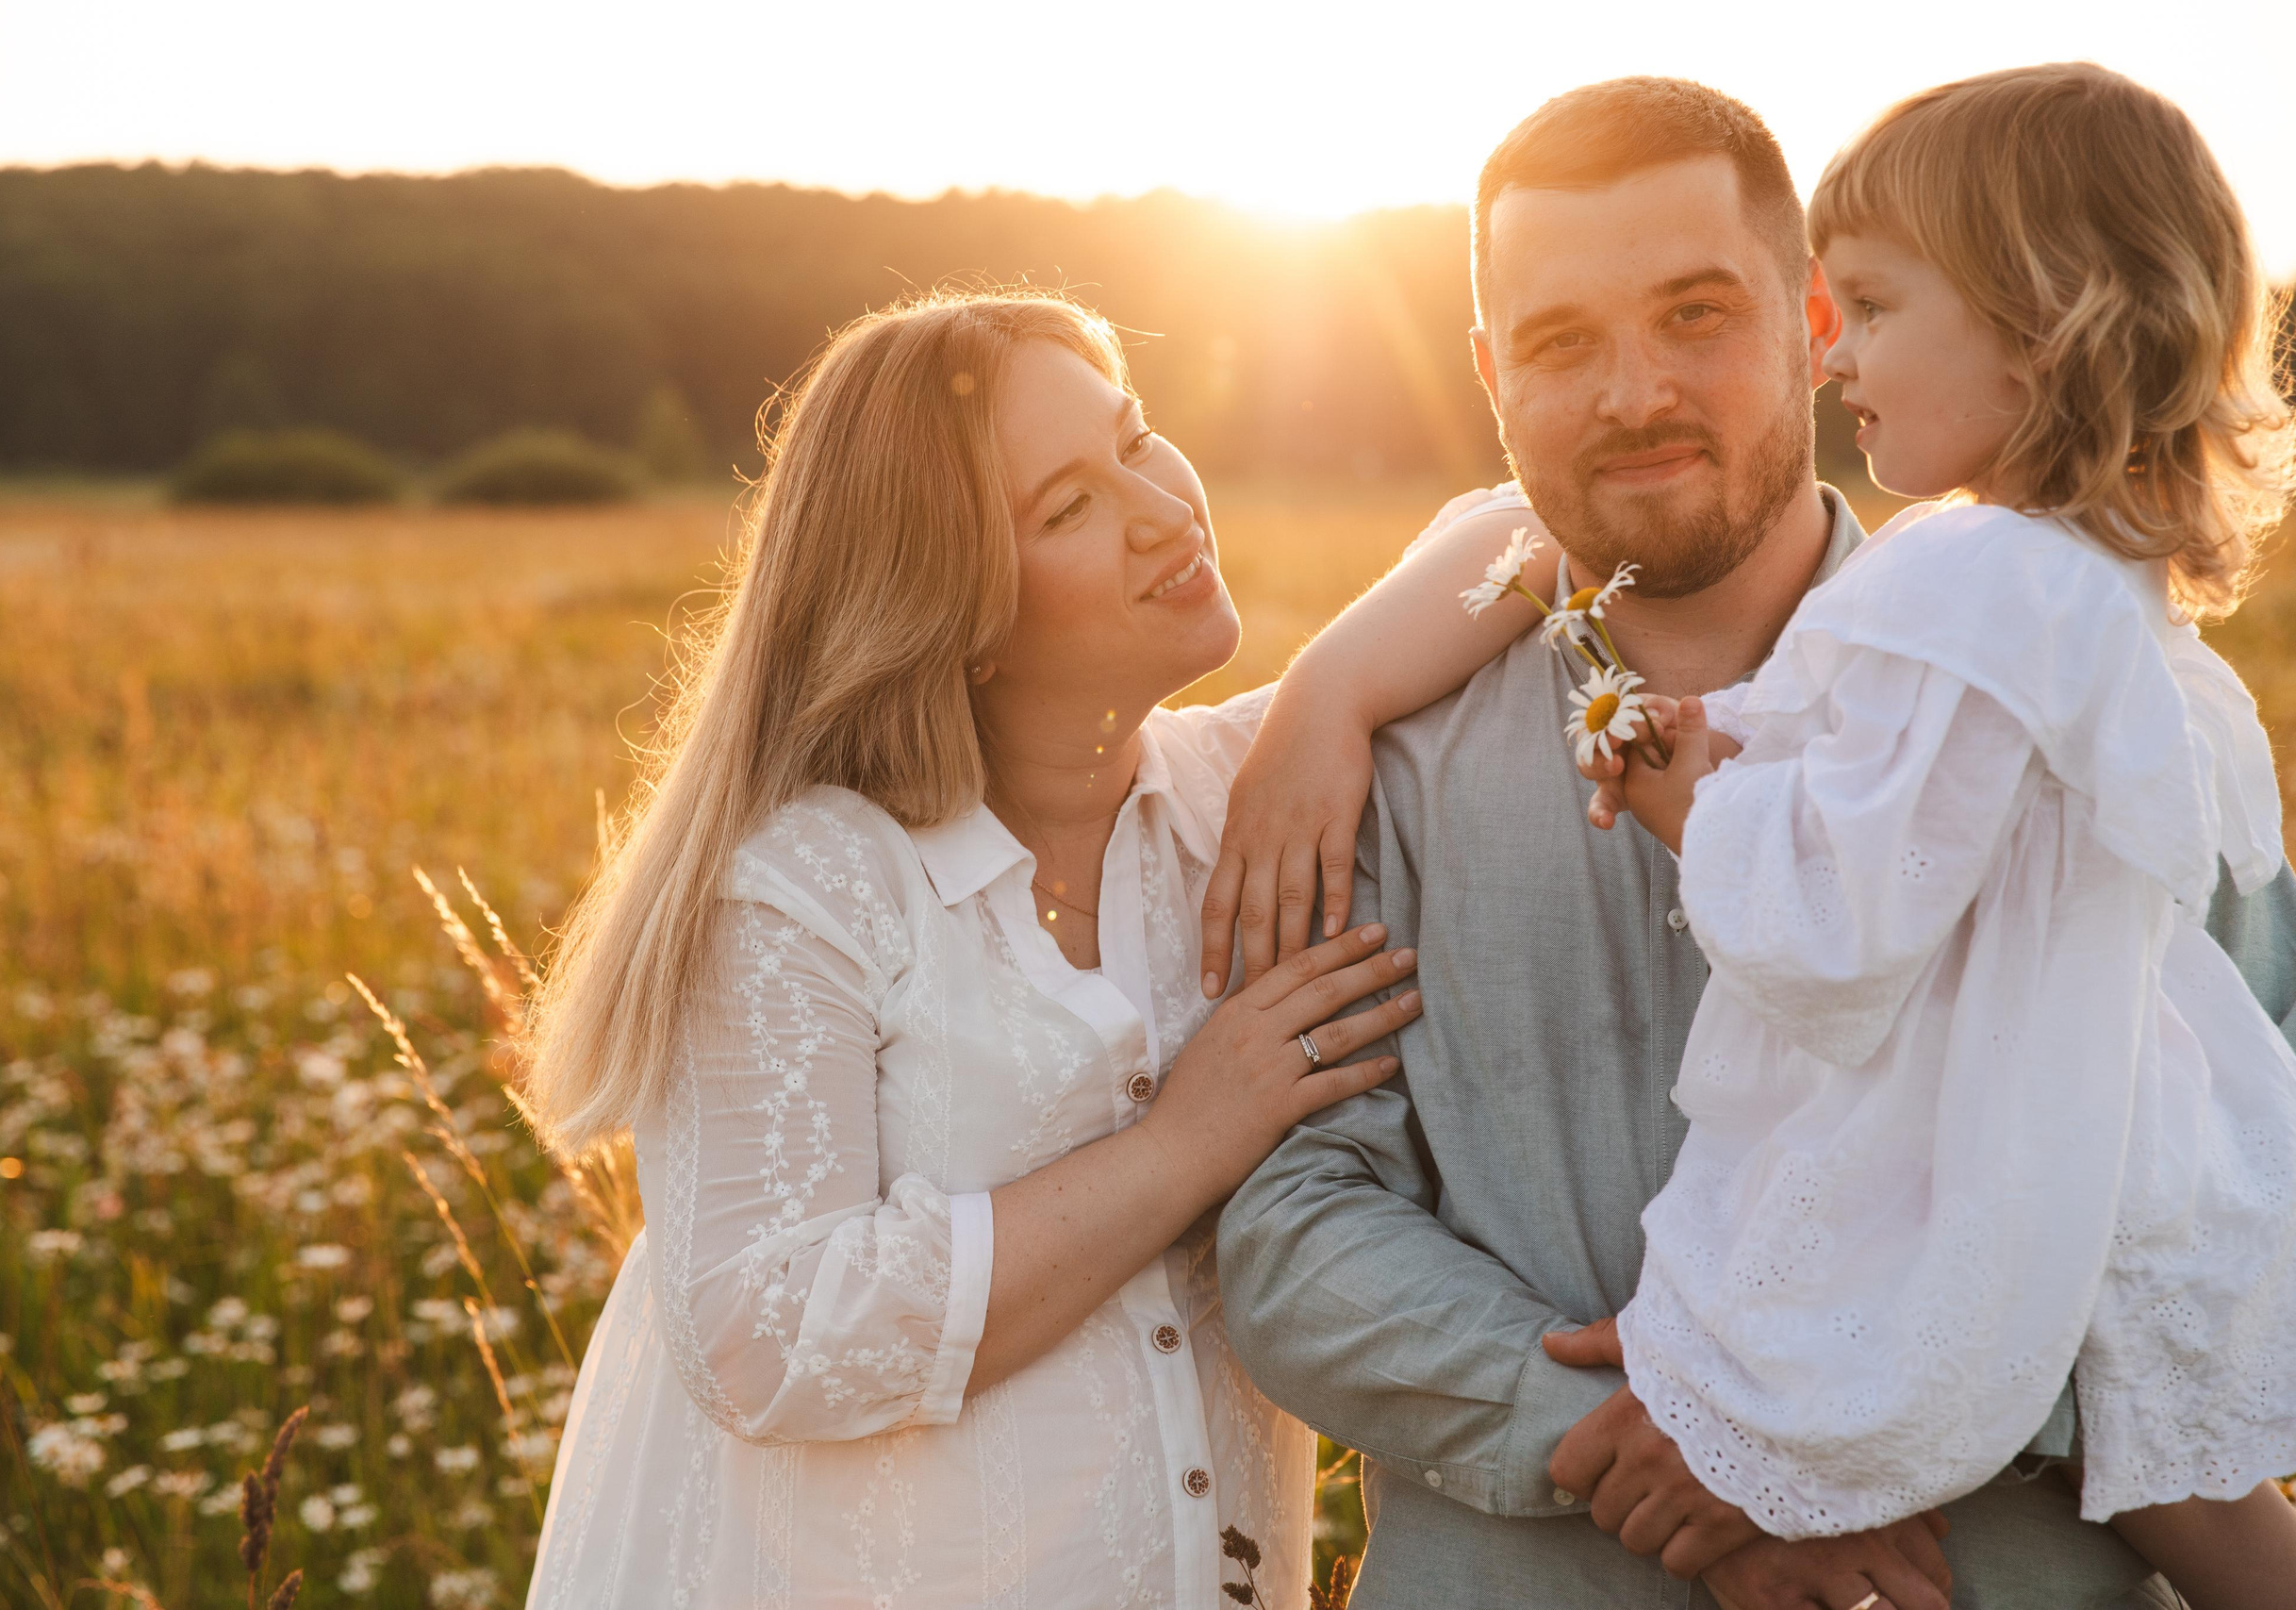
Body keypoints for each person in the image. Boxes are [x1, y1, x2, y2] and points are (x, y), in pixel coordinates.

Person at [1208, 76, 2296, 1608]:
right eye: (1560, 342)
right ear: (1487, 370)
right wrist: (1637, 1439)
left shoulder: (2099, 713)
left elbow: (2228, 1213)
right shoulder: (1360, 782)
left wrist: (1823, 1433)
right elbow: (1290, 1230)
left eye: (1697, 315)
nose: (1634, 392)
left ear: (1815, 319)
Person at [513, 287, 1544, 1608]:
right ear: (952, 610)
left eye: (1135, 437)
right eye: (1068, 507)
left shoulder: (1247, 794)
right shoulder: (809, 883)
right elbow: (758, 1334)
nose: (1163, 508)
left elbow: (1524, 526)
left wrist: (1329, 694)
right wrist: (1181, 1145)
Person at [1557, 65, 2296, 1608]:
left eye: (1877, 310)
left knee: (1770, 1330)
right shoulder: (2109, 598)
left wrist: (1697, 800)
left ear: (2045, 322)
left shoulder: (1965, 581)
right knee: (2212, 1504)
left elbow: (1841, 923)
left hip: (2000, 1120)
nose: (1837, 361)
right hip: (2125, 1118)